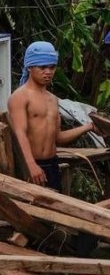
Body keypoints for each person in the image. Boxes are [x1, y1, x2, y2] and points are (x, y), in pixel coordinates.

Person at [7, 41, 95, 191]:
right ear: (29, 67)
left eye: (52, 67)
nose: (48, 72)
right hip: (29, 166)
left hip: (52, 164)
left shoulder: (53, 100)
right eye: (42, 67)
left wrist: (89, 127)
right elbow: (19, 133)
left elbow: (58, 138)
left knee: (55, 210)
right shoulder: (20, 97)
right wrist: (31, 165)